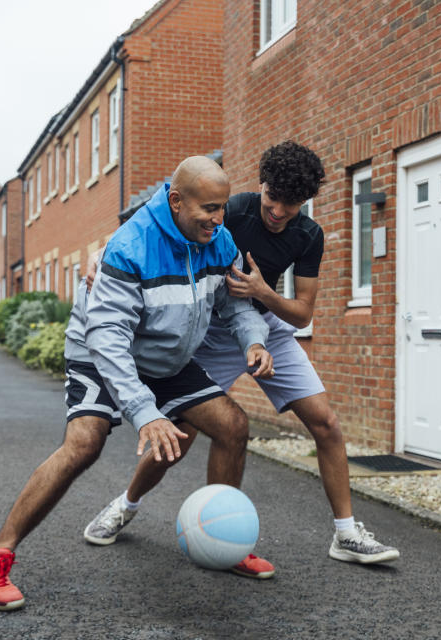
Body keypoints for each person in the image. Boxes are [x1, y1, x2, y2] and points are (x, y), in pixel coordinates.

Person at [0, 156, 275, 611]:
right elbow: (107, 338)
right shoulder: (131, 246)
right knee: (84, 443)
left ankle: (223, 542)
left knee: (232, 426)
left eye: (222, 207)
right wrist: (144, 411)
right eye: (208, 207)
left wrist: (254, 341)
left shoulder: (218, 240)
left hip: (165, 357)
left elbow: (236, 305)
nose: (218, 218)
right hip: (100, 353)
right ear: (176, 201)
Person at [84, 142, 398, 579]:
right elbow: (153, 229)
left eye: (291, 206)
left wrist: (264, 294)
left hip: (267, 328)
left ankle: (345, 534)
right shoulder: (229, 210)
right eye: (273, 200)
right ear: (261, 186)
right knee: (183, 432)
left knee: (326, 422)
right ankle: (125, 506)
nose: (278, 212)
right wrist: (99, 259)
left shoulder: (308, 236)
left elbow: (303, 312)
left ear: (304, 203)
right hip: (210, 330)